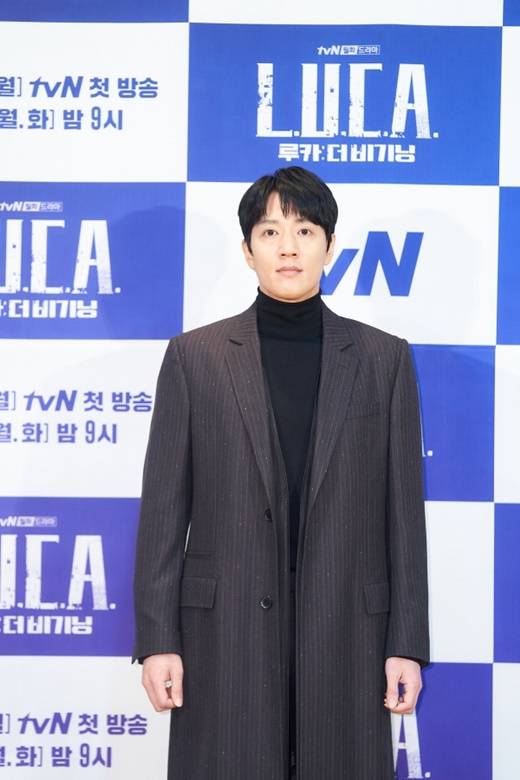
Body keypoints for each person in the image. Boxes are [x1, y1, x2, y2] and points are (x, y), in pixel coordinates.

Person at [132, 166, 429, 780]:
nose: (288, 247)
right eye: (270, 232)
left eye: (304, 231)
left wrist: (407, 643)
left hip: (347, 627)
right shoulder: (194, 358)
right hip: (224, 630)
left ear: (330, 245)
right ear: (248, 250)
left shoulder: (383, 358)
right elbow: (163, 510)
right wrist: (158, 639)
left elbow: (404, 515)